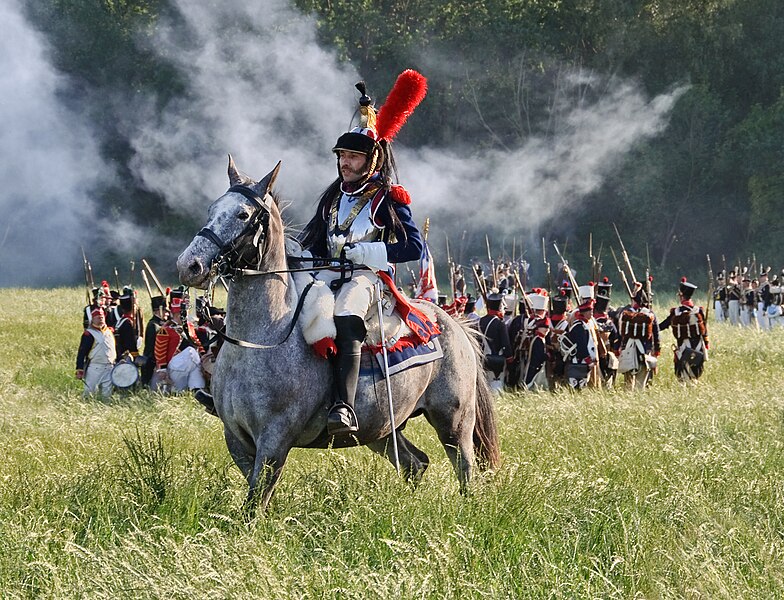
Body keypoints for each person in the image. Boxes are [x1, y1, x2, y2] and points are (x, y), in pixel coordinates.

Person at [299, 71, 428, 435]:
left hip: (368, 279)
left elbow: (412, 248)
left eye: (354, 157)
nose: (346, 163)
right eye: (343, 156)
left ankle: (344, 405)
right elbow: (314, 241)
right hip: (327, 273)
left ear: (371, 161)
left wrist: (365, 252)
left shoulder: (387, 198)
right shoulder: (333, 196)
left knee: (345, 312)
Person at [659, 277, 710, 381]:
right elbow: (704, 331)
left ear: (681, 296)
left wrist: (653, 327)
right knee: (695, 375)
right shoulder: (698, 311)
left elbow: (663, 325)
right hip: (698, 347)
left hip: (683, 347)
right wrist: (706, 344)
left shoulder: (676, 312)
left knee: (682, 375)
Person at [76, 307, 116, 397]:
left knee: (107, 395)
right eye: (98, 317)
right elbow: (82, 353)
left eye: (102, 317)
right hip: (95, 367)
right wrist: (79, 369)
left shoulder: (110, 331)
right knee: (89, 393)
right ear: (93, 319)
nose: (100, 319)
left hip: (110, 367)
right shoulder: (88, 334)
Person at [479, 293, 513, 394]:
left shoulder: (480, 321)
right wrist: (510, 358)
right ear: (499, 308)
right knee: (496, 385)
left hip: (483, 357)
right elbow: (505, 344)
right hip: (497, 358)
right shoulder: (500, 324)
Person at [141, 294, 167, 387]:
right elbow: (151, 346)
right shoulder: (153, 325)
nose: (166, 313)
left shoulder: (160, 324)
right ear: (158, 310)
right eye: (164, 310)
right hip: (152, 362)